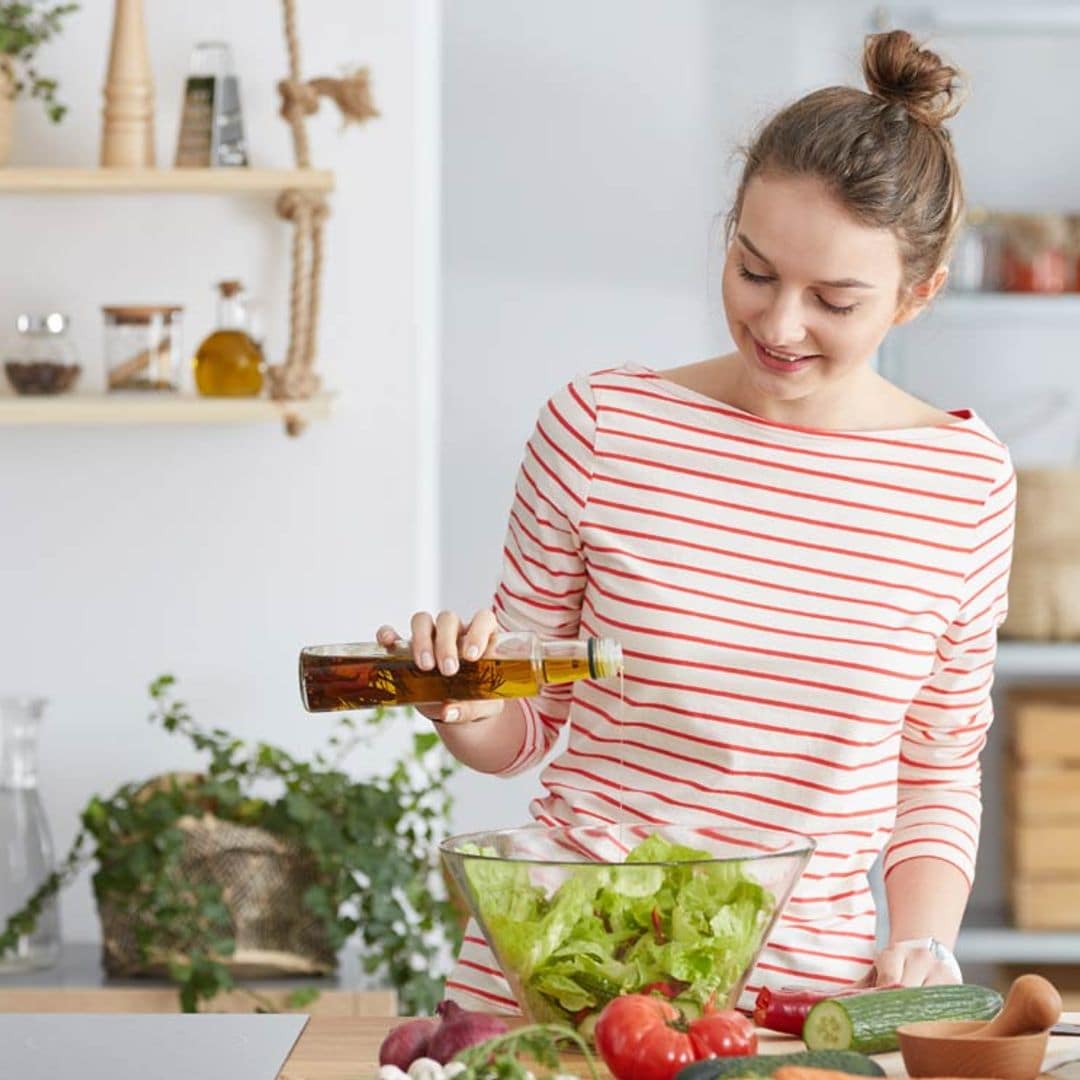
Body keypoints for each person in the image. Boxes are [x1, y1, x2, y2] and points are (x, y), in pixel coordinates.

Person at [377, 28, 1016, 1010]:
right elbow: (530, 723)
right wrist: (461, 704)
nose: (779, 323)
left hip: (795, 1013)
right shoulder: (600, 428)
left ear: (917, 296)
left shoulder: (963, 484)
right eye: (754, 271)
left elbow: (935, 765)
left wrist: (925, 941)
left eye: (835, 300)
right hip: (559, 975)